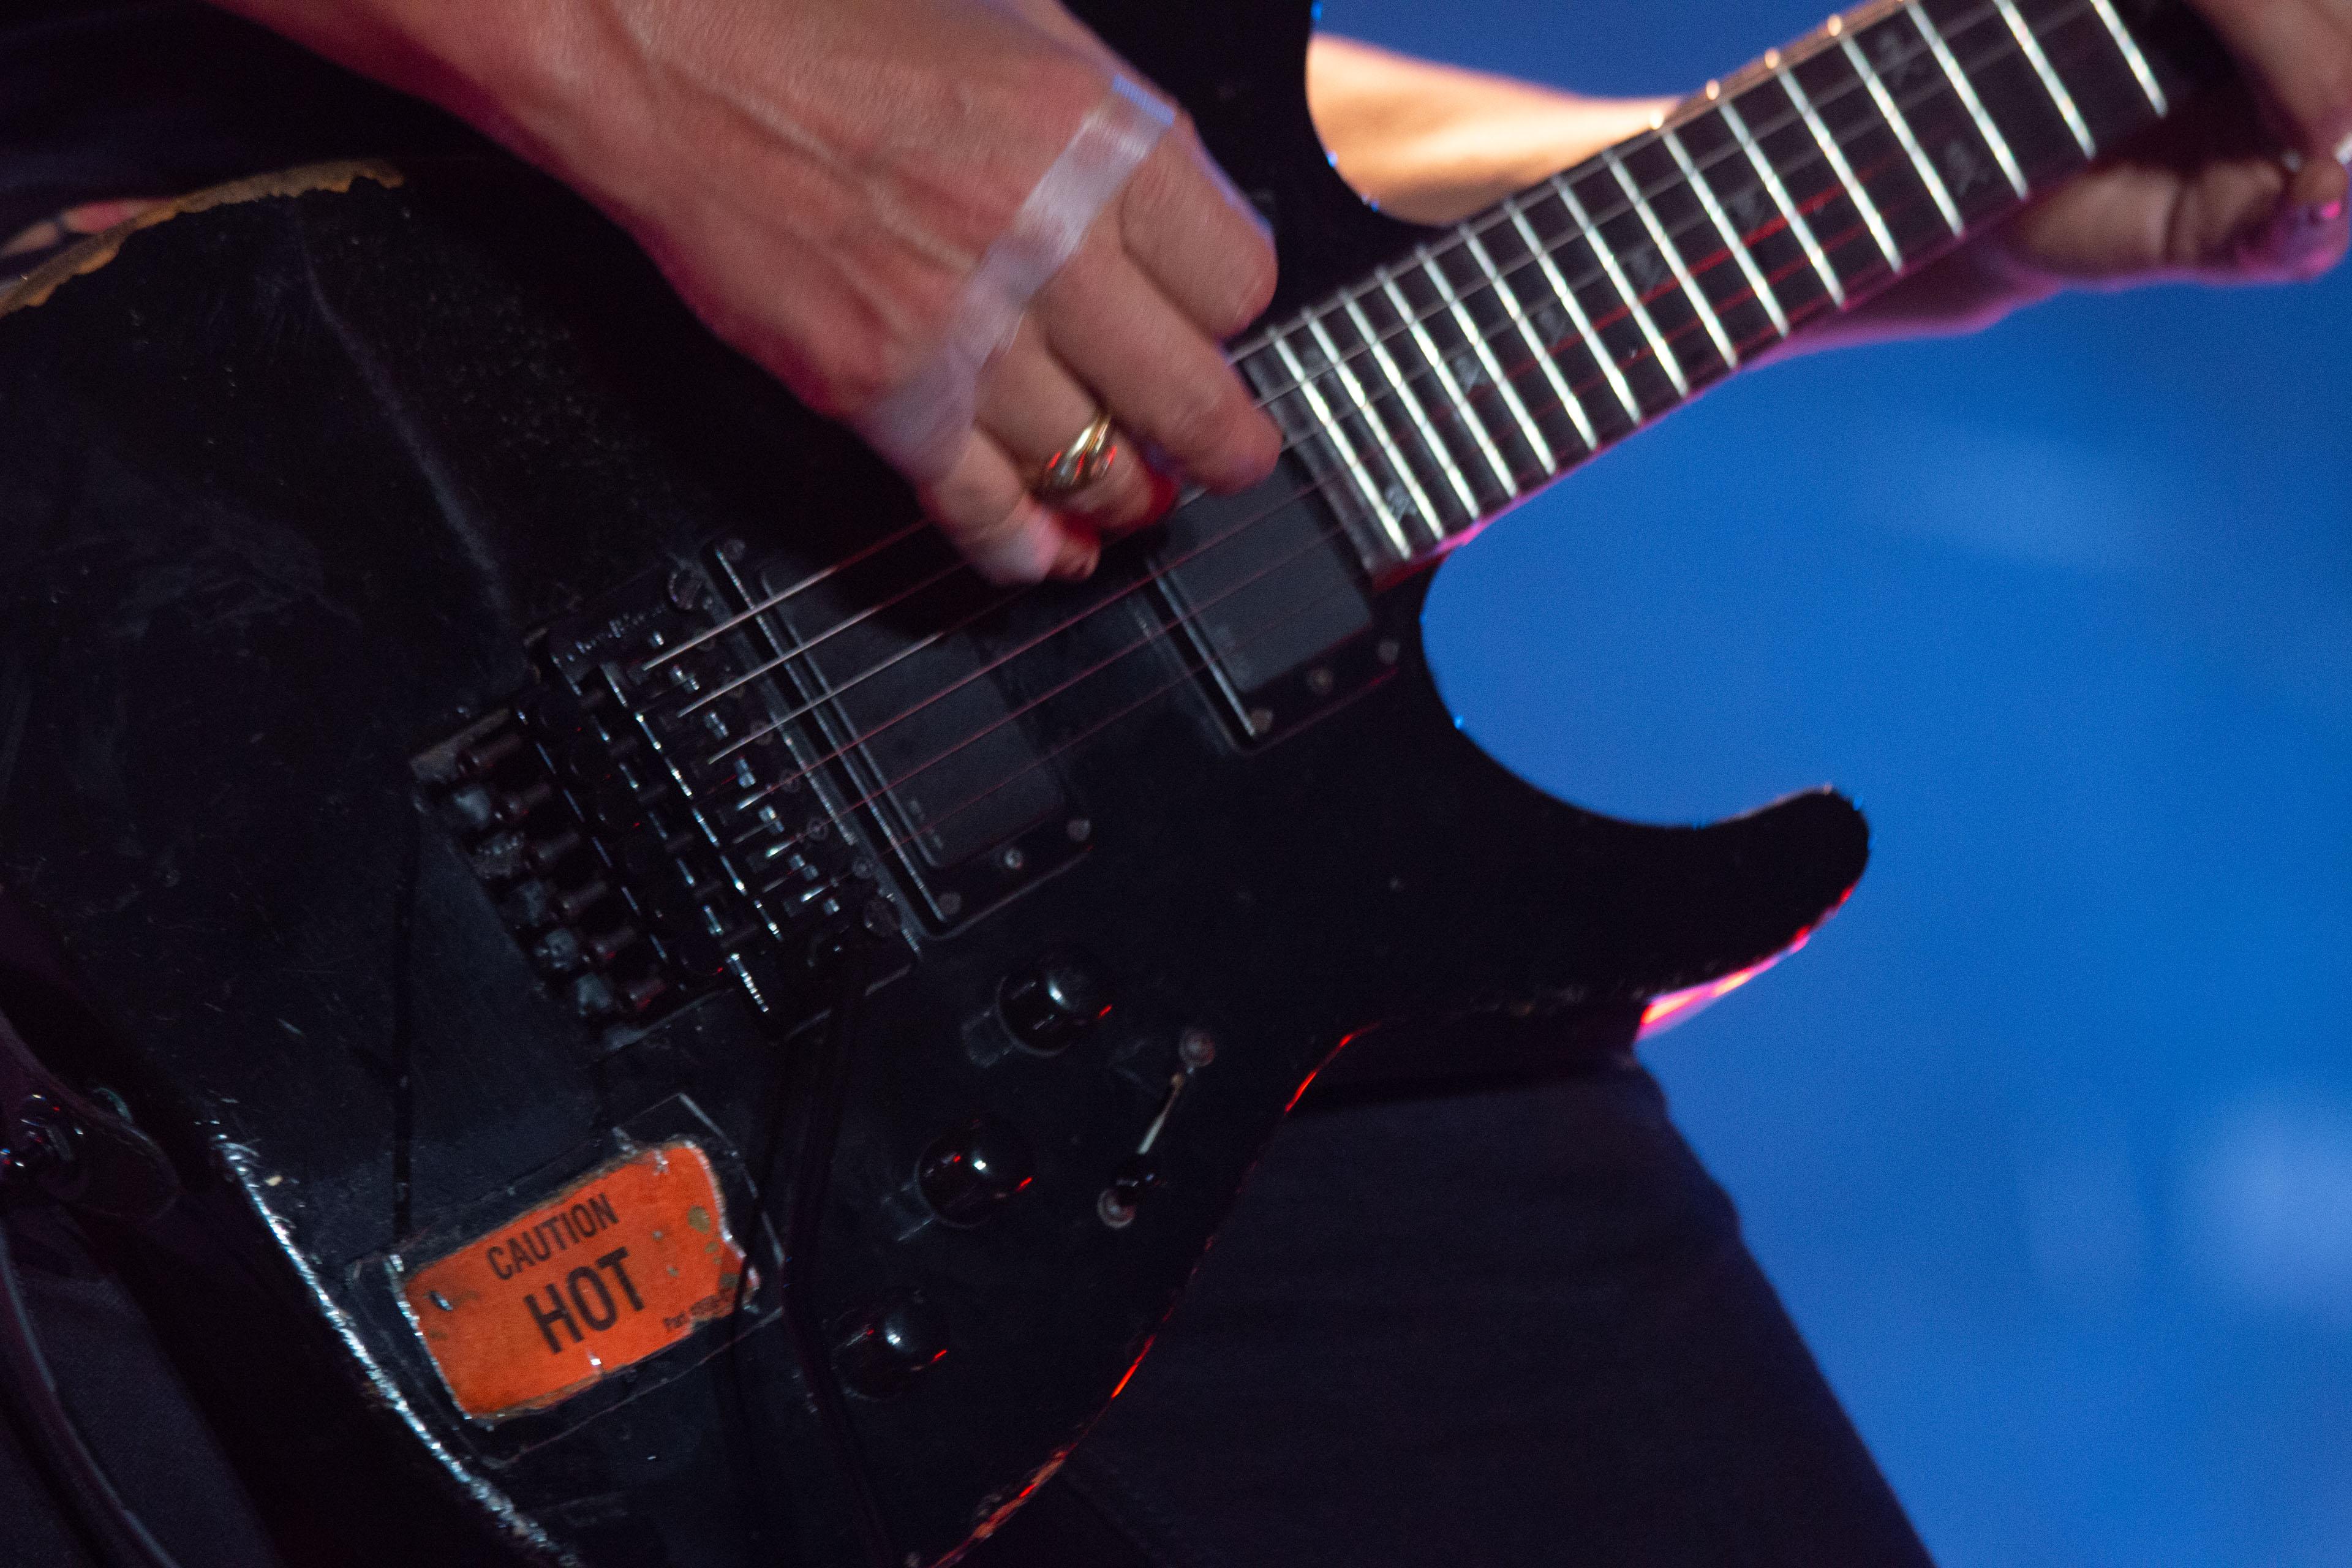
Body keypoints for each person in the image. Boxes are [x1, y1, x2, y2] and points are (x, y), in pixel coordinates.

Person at [0, 0, 2345, 1563]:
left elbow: (1119, 143)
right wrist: (652, 55)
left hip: (1125, 932)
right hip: (239, 628)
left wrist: (1843, 186)